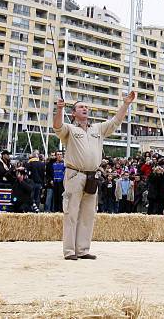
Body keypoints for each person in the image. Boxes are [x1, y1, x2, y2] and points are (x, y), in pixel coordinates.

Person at [53, 92, 135, 260]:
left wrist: (126, 104)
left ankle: (82, 249)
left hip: (91, 176)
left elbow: (115, 122)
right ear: (73, 113)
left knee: (88, 214)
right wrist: (59, 109)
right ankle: (69, 251)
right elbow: (57, 127)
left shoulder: (97, 129)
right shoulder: (70, 129)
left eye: (86, 107)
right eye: (81, 107)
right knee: (71, 213)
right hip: (74, 174)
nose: (85, 109)